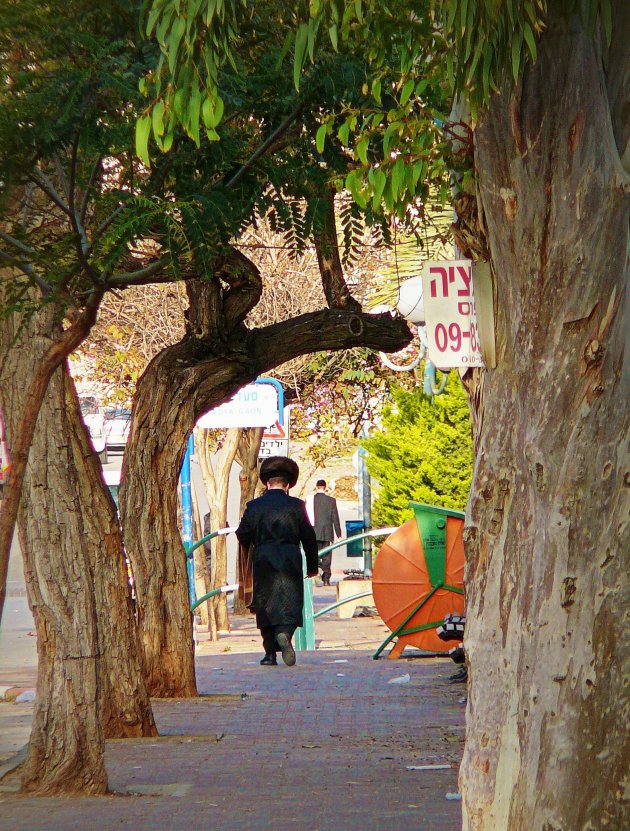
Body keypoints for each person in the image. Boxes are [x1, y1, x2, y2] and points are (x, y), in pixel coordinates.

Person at [236, 456, 318, 667]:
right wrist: (312, 566)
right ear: (288, 484)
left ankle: (269, 654)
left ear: (266, 483)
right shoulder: (297, 506)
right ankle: (285, 635)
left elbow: (242, 534)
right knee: (290, 600)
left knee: (265, 604)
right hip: (290, 557)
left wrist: (255, 540)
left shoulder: (254, 506)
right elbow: (309, 536)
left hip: (264, 558)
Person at [310, 479, 341, 586]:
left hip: (313, 532)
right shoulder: (331, 501)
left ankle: (317, 570)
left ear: (316, 486)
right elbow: (335, 518)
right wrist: (339, 534)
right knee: (327, 555)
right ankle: (326, 578)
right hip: (327, 532)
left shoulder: (310, 500)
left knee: (315, 554)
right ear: (325, 487)